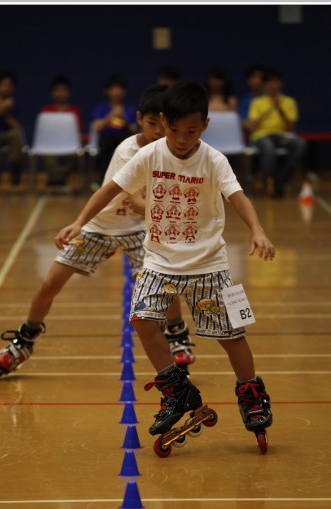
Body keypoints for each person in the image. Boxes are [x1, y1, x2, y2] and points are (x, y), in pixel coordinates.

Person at [54, 82, 275, 446]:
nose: (182, 140)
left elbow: (238, 196)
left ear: (205, 125)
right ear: (161, 121)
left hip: (209, 264)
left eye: (191, 131)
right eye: (174, 130)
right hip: (160, 261)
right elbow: (109, 190)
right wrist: (79, 222)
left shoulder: (214, 160)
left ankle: (251, 393)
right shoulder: (150, 154)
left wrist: (258, 230)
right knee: (142, 319)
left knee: (232, 335)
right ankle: (176, 389)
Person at [0, 84, 195, 381]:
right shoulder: (129, 151)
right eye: (152, 124)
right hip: (102, 226)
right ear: (139, 119)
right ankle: (25, 339)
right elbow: (136, 201)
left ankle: (177, 335)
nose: (159, 132)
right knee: (50, 283)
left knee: (165, 283)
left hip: (140, 230)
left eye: (165, 126)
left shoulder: (173, 152)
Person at [248, 68, 307, 198]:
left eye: (275, 82)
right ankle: (268, 180)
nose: (272, 85)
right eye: (269, 82)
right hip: (261, 135)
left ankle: (281, 177)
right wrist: (270, 107)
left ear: (281, 83)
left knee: (300, 143)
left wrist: (279, 108)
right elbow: (252, 126)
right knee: (268, 146)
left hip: (282, 135)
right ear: (264, 85)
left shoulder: (289, 101)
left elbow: (291, 127)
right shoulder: (257, 102)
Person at [91, 75, 137, 183]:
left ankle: (127, 181)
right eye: (113, 88)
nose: (116, 92)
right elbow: (97, 128)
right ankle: (102, 180)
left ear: (124, 91)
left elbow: (134, 130)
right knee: (105, 148)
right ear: (107, 91)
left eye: (119, 88)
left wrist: (124, 119)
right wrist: (110, 115)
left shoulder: (130, 109)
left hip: (125, 139)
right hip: (106, 139)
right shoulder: (101, 108)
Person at [41, 75, 83, 191]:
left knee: (77, 152)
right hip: (50, 143)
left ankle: (55, 180)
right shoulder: (46, 110)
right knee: (47, 153)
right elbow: (44, 132)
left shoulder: (74, 110)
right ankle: (60, 180)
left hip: (70, 143)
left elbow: (78, 131)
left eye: (63, 90)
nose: (60, 93)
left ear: (68, 92)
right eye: (57, 90)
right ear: (52, 93)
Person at [239, 64, 265, 133]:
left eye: (259, 77)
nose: (256, 81)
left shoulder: (276, 99)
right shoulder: (246, 101)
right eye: (253, 77)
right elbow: (245, 124)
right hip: (256, 135)